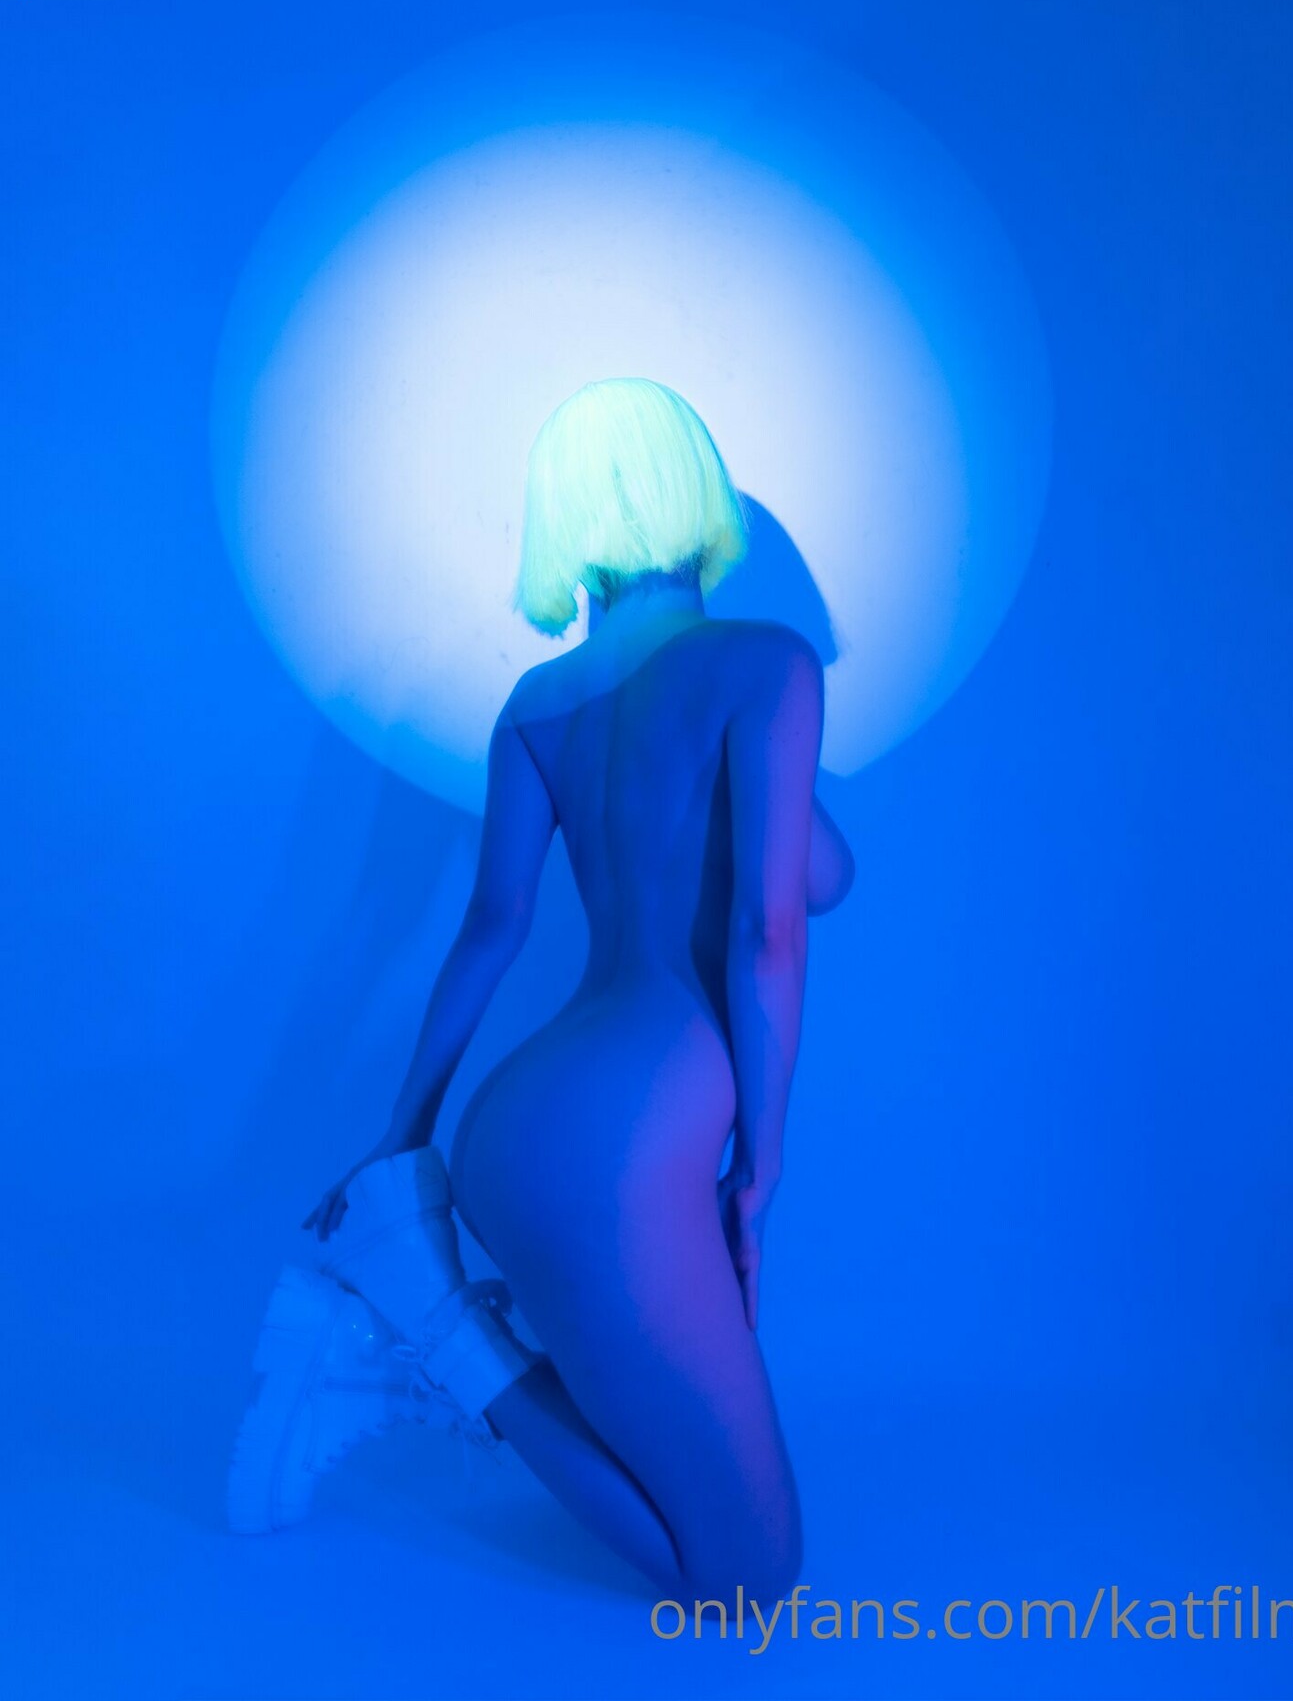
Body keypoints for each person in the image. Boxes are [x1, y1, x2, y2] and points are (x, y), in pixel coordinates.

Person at [227, 377, 855, 1605]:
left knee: (694, 1484)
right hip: (631, 1132)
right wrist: (761, 1167)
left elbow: (492, 929)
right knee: (748, 1575)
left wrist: (403, 1145)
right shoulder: (766, 665)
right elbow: (770, 932)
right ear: (695, 489)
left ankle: (426, 1314)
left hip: (521, 1120)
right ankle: (435, 1341)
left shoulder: (541, 706)